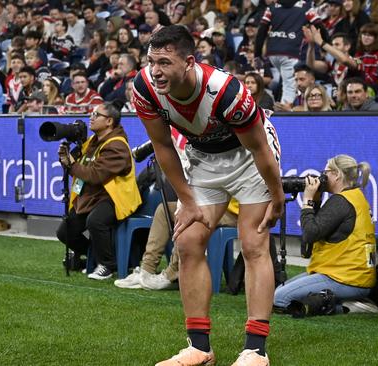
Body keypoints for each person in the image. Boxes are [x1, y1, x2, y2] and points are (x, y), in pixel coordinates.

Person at [132, 25, 284, 366]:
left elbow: (260, 149)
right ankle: (199, 348)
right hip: (204, 159)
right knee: (187, 241)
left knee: (253, 243)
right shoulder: (144, 87)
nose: (155, 70)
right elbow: (162, 146)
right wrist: (187, 200)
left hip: (249, 159)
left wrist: (277, 197)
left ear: (188, 62)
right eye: (151, 61)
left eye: (165, 62)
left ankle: (255, 351)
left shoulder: (227, 91)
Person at [273, 154, 376, 314]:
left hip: (345, 279)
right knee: (281, 291)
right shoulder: (355, 196)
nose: (322, 177)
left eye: (325, 172)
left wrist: (307, 201)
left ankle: (345, 308)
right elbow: (315, 237)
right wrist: (317, 201)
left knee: (280, 299)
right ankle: (345, 300)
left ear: (336, 175)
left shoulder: (340, 202)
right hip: (354, 277)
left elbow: (310, 234)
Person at [56, 102, 141, 281]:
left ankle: (108, 265)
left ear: (109, 121)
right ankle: (93, 256)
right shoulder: (92, 143)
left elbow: (95, 175)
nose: (91, 117)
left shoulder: (117, 146)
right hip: (91, 197)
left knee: (95, 221)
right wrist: (66, 159)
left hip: (114, 198)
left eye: (96, 114)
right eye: (91, 113)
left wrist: (71, 164)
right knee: (65, 232)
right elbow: (79, 168)